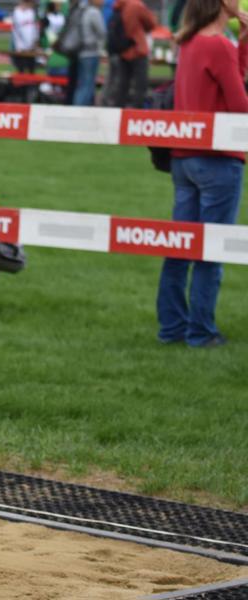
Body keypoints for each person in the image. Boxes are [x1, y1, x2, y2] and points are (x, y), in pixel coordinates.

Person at [156, 0, 248, 347]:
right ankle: (201, 332)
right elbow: (240, 105)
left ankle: (172, 327)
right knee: (211, 250)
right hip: (217, 159)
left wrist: (244, 42)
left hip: (185, 158)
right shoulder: (219, 46)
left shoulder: (190, 42)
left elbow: (230, 81)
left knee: (180, 246)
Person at [110, 0, 158, 107]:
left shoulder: (118, 5)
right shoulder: (136, 5)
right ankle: (137, 111)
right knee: (140, 85)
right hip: (137, 49)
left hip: (123, 50)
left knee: (122, 85)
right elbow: (151, 23)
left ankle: (118, 110)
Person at [73, 0, 106, 105]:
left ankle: (78, 107)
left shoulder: (82, 10)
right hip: (91, 53)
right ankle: (81, 109)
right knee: (88, 85)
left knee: (82, 84)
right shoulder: (94, 12)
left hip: (81, 52)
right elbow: (102, 31)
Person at [11, 0, 40, 72]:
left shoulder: (31, 12)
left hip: (31, 45)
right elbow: (16, 30)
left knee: (31, 68)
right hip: (20, 46)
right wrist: (18, 45)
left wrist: (35, 40)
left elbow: (35, 28)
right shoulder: (17, 12)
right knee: (21, 69)